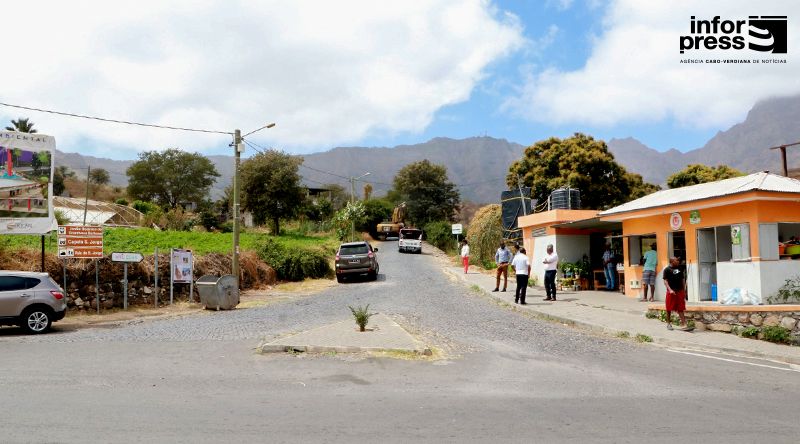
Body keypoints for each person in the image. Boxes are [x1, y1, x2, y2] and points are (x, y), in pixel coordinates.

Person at [663, 256, 692, 331]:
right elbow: (665, 281)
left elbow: (682, 279)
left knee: (680, 307)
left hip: (680, 291)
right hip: (671, 291)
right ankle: (669, 323)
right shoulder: (667, 270)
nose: (678, 261)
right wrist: (670, 290)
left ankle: (684, 324)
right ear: (672, 262)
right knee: (669, 308)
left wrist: (684, 290)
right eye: (676, 260)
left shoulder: (679, 269)